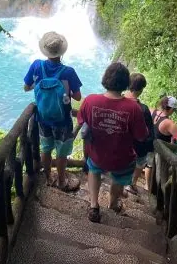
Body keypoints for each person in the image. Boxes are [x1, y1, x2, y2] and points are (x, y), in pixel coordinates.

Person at [78, 62, 149, 223]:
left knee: (94, 171)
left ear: (106, 78)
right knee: (119, 178)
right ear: (126, 83)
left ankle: (94, 205)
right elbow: (141, 136)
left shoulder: (90, 101)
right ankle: (112, 203)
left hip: (97, 154)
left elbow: (83, 121)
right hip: (122, 158)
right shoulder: (133, 108)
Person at [23, 32, 82, 191]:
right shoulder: (68, 71)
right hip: (63, 120)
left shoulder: (36, 65)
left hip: (42, 118)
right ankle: (62, 181)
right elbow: (77, 96)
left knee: (46, 148)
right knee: (61, 152)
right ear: (62, 52)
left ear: (45, 51)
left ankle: (48, 178)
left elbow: (26, 87)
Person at [123, 73, 154, 195]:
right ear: (141, 89)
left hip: (119, 144)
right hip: (137, 146)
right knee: (140, 163)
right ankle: (131, 184)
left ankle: (120, 182)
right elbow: (149, 132)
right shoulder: (143, 109)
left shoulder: (117, 101)